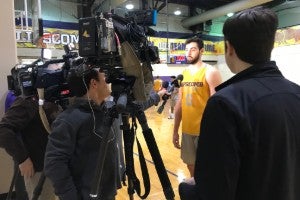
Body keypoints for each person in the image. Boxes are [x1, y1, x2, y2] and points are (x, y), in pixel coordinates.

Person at [179, 6, 300, 200]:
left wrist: (185, 189)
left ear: (229, 48)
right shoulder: (296, 93)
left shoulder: (224, 103)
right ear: (270, 46)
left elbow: (213, 192)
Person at [44, 67, 166, 200]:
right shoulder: (68, 120)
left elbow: (136, 107)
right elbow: (54, 163)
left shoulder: (109, 109)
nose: (108, 81)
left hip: (107, 192)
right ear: (94, 83)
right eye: (104, 77)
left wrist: (157, 96)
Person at [173, 37, 222, 177]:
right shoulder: (184, 74)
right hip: (187, 130)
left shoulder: (211, 72)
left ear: (201, 51)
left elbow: (217, 106)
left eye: (193, 49)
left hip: (205, 131)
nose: (188, 52)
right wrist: (175, 130)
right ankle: (198, 190)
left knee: (207, 166)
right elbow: (179, 103)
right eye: (187, 49)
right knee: (190, 165)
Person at [0, 92, 61, 200]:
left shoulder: (57, 95)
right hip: (39, 167)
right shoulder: (28, 102)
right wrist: (22, 159)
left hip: (59, 163)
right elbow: (3, 132)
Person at [4, 90, 29, 200]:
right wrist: (22, 158)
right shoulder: (14, 97)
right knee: (22, 186)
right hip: (22, 150)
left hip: (23, 148)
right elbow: (5, 131)